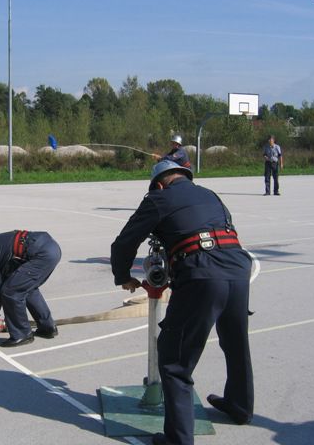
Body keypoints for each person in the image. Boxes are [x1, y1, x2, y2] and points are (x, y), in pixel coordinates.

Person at [110, 160, 254, 445]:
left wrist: (123, 276)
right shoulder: (210, 194)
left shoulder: (158, 198)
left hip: (201, 274)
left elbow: (124, 243)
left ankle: (178, 440)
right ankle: (240, 406)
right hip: (238, 270)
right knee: (235, 342)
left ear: (160, 184)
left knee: (175, 361)